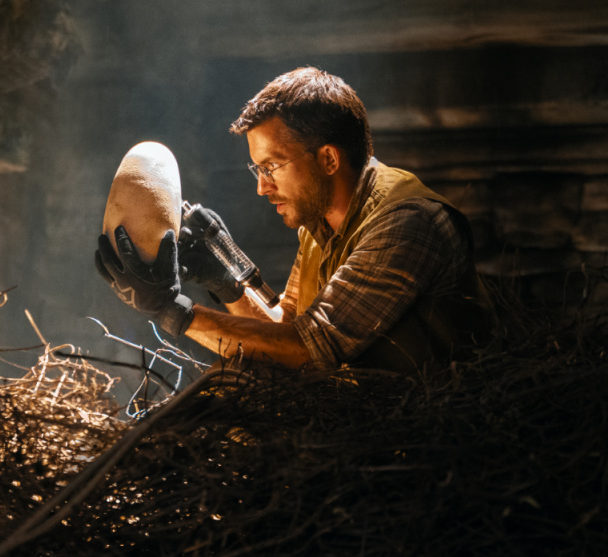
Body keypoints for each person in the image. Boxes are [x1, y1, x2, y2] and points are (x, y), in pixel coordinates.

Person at [96, 67, 492, 372]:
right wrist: (227, 279)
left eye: (272, 166)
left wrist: (173, 311)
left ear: (329, 159)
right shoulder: (320, 225)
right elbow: (285, 329)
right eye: (257, 170)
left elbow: (309, 351)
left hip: (433, 434)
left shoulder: (407, 223)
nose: (262, 187)